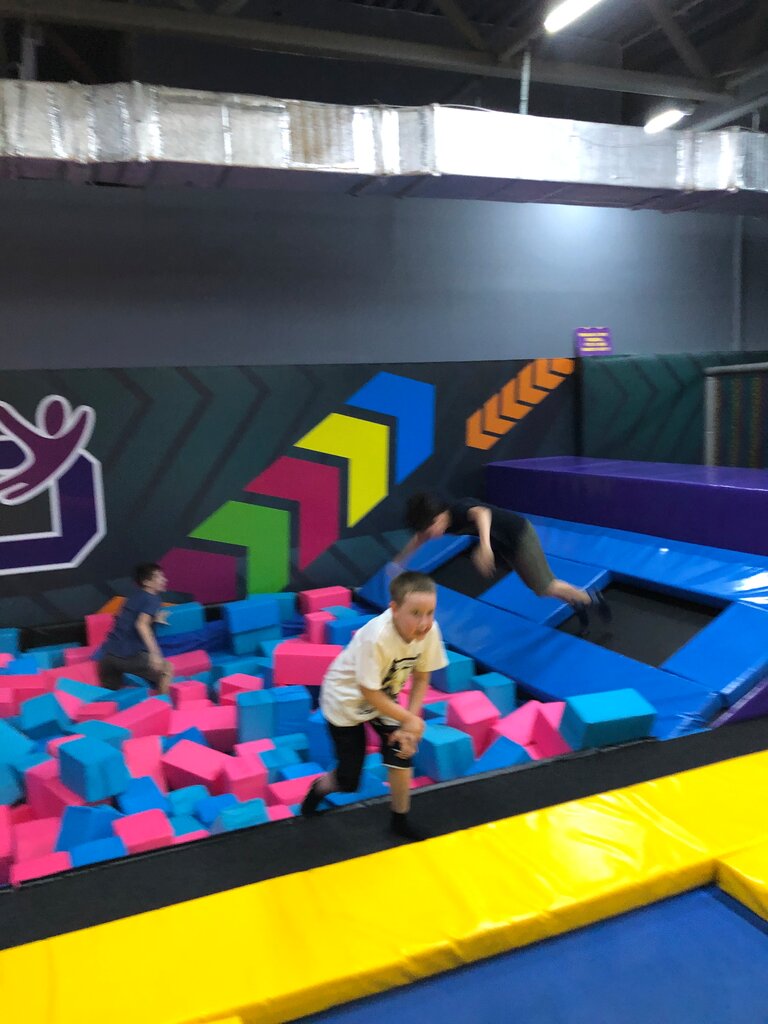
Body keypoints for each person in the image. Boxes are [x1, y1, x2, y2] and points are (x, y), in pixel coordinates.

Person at [301, 570, 447, 840]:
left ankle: (400, 820)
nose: (425, 622)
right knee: (348, 781)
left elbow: (422, 677)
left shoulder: (429, 631)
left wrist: (408, 724)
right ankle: (318, 788)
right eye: (415, 613)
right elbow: (369, 692)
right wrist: (409, 720)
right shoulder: (376, 637)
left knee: (401, 754)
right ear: (394, 609)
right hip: (345, 701)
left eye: (430, 612)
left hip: (384, 696)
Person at [399, 493, 610, 629]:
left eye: (430, 530)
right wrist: (398, 563)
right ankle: (576, 603)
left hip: (519, 535)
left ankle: (590, 598)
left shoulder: (458, 510)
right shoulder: (439, 523)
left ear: (438, 518)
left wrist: (485, 546)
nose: (431, 536)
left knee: (546, 586)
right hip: (505, 543)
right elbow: (419, 538)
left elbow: (482, 513)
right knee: (538, 588)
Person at [97, 563, 173, 695]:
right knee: (167, 669)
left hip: (107, 657)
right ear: (146, 582)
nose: (164, 580)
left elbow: (128, 619)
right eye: (159, 577)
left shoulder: (134, 597)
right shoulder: (153, 599)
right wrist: (155, 655)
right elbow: (141, 624)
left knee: (111, 697)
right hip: (128, 656)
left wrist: (154, 618)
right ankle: (162, 704)